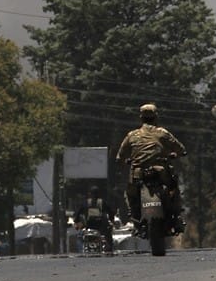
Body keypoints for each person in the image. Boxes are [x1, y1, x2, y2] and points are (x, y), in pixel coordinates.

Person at [115, 103, 187, 232]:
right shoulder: (162, 133)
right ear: (156, 117)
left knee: (131, 194)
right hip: (161, 171)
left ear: (141, 118)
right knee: (173, 187)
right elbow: (181, 149)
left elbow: (120, 156)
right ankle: (177, 216)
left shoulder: (132, 135)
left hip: (138, 172)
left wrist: (124, 161)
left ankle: (135, 218)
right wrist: (175, 154)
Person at [73, 186, 114, 253]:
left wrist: (76, 222)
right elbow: (110, 212)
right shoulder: (102, 202)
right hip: (101, 226)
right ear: (99, 194)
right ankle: (109, 248)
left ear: (90, 194)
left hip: (89, 225)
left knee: (80, 237)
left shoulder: (86, 203)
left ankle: (81, 250)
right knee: (108, 236)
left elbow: (78, 213)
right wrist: (111, 220)